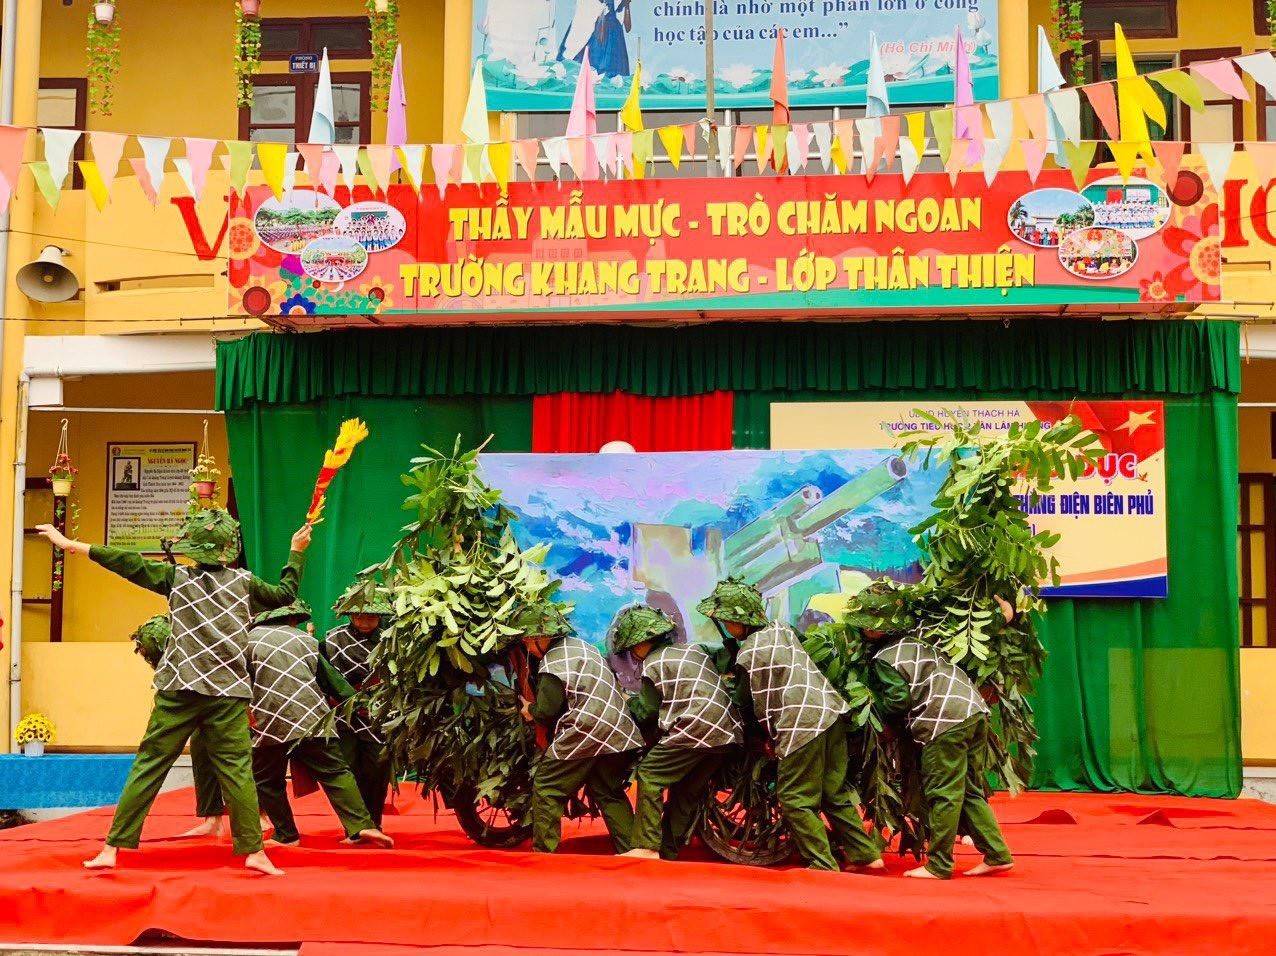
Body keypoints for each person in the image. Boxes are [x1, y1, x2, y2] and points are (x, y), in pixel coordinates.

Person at [36, 508, 307, 876]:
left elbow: (125, 562)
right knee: (238, 772)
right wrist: (296, 550)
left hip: (180, 688)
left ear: (194, 549)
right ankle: (254, 851)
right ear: (228, 548)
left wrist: (71, 544)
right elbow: (285, 593)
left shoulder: (177, 578)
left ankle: (112, 848)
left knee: (149, 767)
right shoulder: (244, 583)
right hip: (227, 693)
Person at [696, 578, 883, 873]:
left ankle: (822, 863)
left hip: (802, 725)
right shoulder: (782, 630)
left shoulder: (750, 653)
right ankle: (867, 854)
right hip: (830, 713)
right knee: (832, 793)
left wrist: (756, 736)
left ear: (735, 621)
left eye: (723, 620)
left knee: (795, 797)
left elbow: (745, 703)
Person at [852, 583, 1015, 880]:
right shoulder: (918, 640)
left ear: (880, 629)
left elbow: (898, 701)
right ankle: (997, 853)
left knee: (944, 793)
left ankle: (939, 864)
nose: (863, 631)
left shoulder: (884, 660)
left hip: (944, 722)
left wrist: (876, 717)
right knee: (968, 791)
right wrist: (1003, 615)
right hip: (973, 711)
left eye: (867, 626)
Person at [246, 600, 394, 849]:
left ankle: (286, 834)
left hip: (267, 718)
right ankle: (362, 825)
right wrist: (358, 706)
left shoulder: (246, 641)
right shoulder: (307, 641)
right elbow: (332, 680)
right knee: (336, 771)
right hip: (317, 716)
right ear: (293, 620)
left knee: (266, 780)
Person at [612, 605, 742, 861]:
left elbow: (647, 712)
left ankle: (647, 847)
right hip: (727, 730)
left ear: (642, 642)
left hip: (694, 729)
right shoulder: (693, 650)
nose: (633, 655)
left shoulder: (653, 664)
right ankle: (669, 849)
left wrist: (626, 702)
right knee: (686, 789)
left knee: (650, 775)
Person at [515, 599, 644, 854]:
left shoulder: (552, 663)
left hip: (586, 729)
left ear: (541, 637)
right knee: (608, 791)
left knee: (547, 787)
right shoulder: (585, 648)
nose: (527, 646)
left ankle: (544, 853)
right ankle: (632, 850)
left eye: (527, 641)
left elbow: (547, 712)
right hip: (619, 729)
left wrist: (529, 710)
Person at [129, 614, 227, 838]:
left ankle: (260, 817)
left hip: (227, 696)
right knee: (201, 750)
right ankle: (212, 818)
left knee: (241, 759)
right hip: (197, 693)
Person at [321, 584, 394, 828]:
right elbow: (324, 676)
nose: (364, 622)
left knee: (376, 771)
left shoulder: (393, 639)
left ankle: (373, 824)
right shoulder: (332, 639)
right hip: (344, 714)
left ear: (380, 616)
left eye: (370, 616)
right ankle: (353, 826)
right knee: (346, 771)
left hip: (381, 714)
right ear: (350, 615)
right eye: (359, 615)